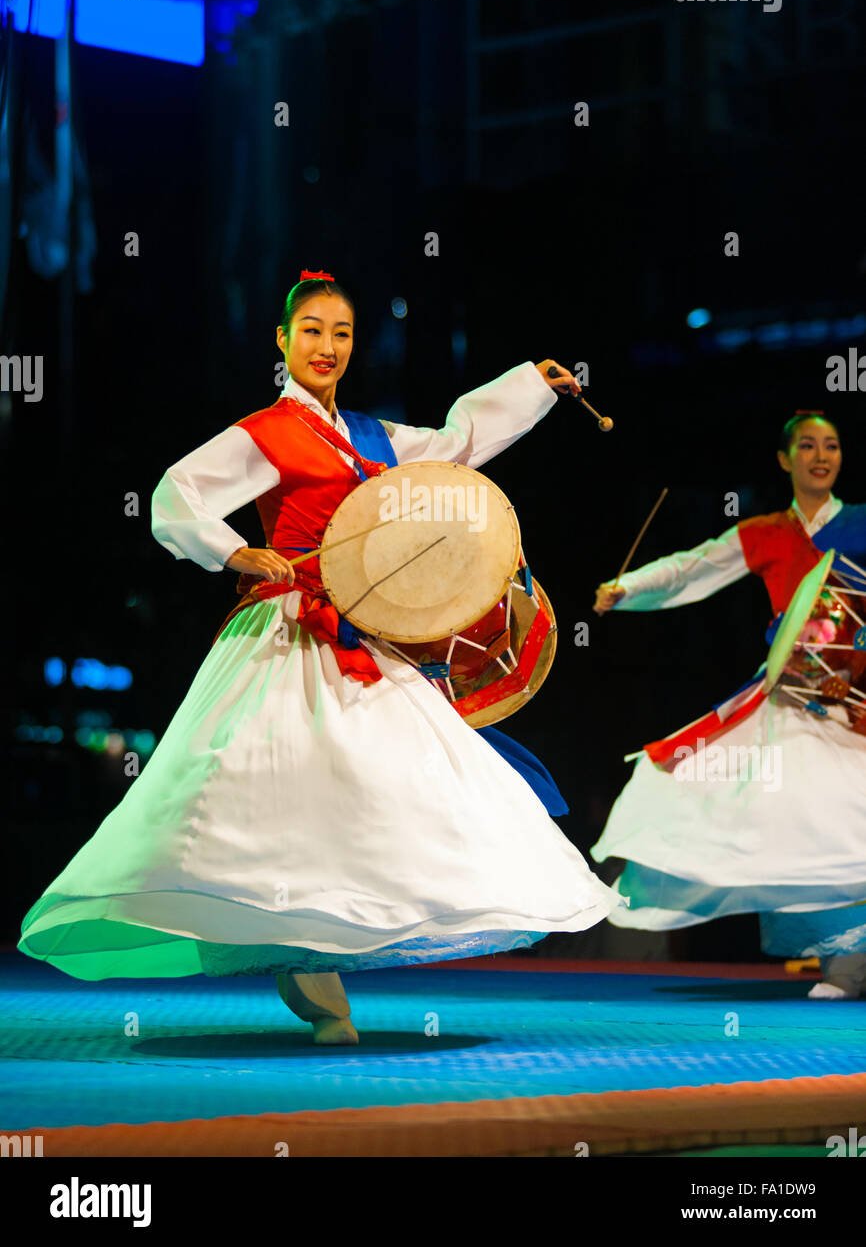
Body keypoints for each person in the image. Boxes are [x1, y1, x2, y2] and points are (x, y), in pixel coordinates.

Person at [19, 269, 625, 1043]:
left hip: (364, 632)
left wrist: (531, 387)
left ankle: (337, 941)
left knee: (396, 787)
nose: (327, 347)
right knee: (283, 800)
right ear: (282, 341)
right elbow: (177, 493)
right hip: (291, 628)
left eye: (340, 334)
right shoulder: (268, 432)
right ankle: (305, 964)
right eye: (311, 331)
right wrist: (236, 551)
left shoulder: (374, 438)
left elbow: (452, 448)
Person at [591, 411, 866, 999]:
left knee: (848, 816)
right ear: (784, 459)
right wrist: (629, 588)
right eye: (808, 446)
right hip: (790, 698)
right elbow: (696, 565)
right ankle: (842, 962)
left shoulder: (864, 526)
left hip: (856, 698)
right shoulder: (767, 531)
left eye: (833, 446)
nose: (821, 456)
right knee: (799, 822)